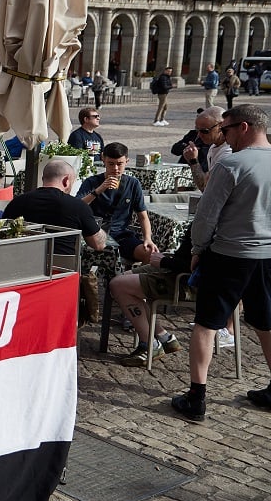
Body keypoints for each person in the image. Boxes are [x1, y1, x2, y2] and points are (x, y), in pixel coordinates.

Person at [173, 104, 271, 421]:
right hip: (266, 255)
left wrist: (198, 248)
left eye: (225, 129)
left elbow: (205, 216)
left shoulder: (231, 164)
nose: (223, 136)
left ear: (243, 127)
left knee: (207, 324)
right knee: (266, 322)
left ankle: (196, 397)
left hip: (230, 254)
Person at [109, 225, 192, 367]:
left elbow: (196, 265)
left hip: (185, 281)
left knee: (118, 285)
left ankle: (149, 344)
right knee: (122, 279)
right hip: (173, 268)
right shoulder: (208, 217)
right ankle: (163, 337)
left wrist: (164, 261)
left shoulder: (211, 222)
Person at [3, 159, 105, 256]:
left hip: (25, 268)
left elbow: (2, 235)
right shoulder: (77, 206)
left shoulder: (17, 202)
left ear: (43, 179)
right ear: (66, 180)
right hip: (63, 271)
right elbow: (98, 245)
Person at [76, 142, 156, 263]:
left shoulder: (133, 184)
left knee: (151, 254)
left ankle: (131, 279)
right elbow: (78, 206)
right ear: (103, 159)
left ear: (127, 161)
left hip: (121, 235)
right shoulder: (92, 182)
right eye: (111, 164)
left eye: (120, 164)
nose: (115, 168)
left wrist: (148, 238)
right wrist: (98, 191)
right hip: (95, 234)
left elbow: (143, 216)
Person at [180, 106, 231, 190]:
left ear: (221, 126)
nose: (199, 135)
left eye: (205, 131)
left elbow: (206, 188)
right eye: (197, 130)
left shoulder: (227, 153)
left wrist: (193, 161)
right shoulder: (214, 146)